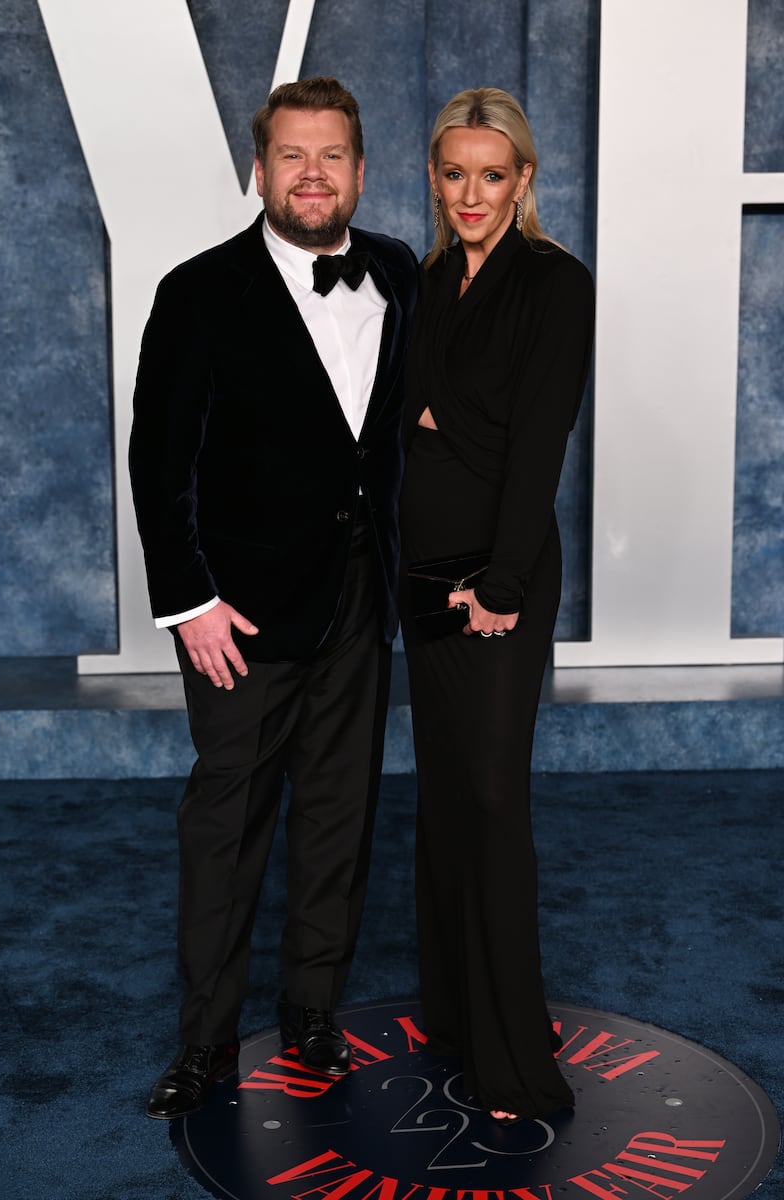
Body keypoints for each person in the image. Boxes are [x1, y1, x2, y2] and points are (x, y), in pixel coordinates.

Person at [129, 76, 417, 1120]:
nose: (310, 173)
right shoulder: (198, 291)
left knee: (338, 822)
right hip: (239, 620)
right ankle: (204, 1044)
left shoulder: (395, 272)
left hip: (357, 604)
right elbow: (158, 463)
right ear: (260, 171)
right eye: (290, 156)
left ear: (357, 169)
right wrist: (189, 600)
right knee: (227, 827)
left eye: (329, 155)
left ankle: (310, 1018)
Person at [399, 88, 594, 1124]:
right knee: (439, 796)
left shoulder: (555, 284)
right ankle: (458, 1011)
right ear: (433, 179)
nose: (469, 194)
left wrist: (502, 585)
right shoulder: (427, 279)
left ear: (520, 179)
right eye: (452, 173)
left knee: (488, 797)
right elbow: (406, 418)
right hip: (421, 573)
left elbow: (537, 443)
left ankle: (513, 1052)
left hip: (497, 573)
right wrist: (433, 418)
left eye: (490, 174)